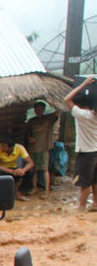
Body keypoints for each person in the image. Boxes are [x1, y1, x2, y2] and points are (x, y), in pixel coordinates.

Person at [63, 76, 97, 211]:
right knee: (95, 181)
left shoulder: (83, 115)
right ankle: (95, 204)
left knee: (85, 183)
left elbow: (67, 99)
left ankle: (81, 208)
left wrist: (84, 84)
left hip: (87, 153)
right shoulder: (89, 115)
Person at [24, 101, 59, 192]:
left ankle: (47, 190)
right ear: (34, 110)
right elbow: (26, 132)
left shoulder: (48, 119)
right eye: (37, 109)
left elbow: (58, 111)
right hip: (33, 148)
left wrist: (51, 101)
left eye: (40, 109)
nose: (38, 111)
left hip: (43, 148)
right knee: (34, 170)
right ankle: (34, 188)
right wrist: (29, 137)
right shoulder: (31, 121)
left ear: (43, 110)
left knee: (44, 169)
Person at [0, 135, 34, 201]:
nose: (2, 147)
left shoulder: (20, 148)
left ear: (11, 148)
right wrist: (11, 171)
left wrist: (22, 170)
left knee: (30, 171)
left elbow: (31, 163)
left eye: (4, 146)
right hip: (3, 169)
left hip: (14, 169)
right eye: (2, 145)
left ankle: (20, 192)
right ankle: (3, 194)